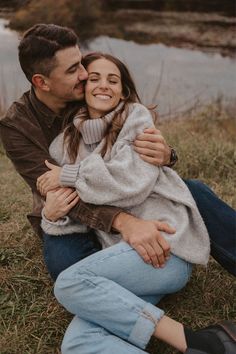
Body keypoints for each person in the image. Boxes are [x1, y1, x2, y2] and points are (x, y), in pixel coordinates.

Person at [37, 52, 235, 354]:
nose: (104, 85)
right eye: (95, 78)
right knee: (79, 343)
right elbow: (78, 210)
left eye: (113, 80)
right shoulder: (62, 145)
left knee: (69, 282)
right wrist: (52, 215)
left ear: (123, 90)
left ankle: (198, 342)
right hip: (122, 260)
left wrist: (69, 175)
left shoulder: (135, 117)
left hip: (165, 247)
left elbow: (131, 181)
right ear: (81, 87)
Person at [0, 23, 235, 277]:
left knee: (193, 191)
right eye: (72, 69)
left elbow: (132, 131)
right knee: (67, 268)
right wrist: (125, 223)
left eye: (80, 63)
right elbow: (57, 189)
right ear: (41, 82)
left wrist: (167, 155)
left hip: (122, 191)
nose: (83, 74)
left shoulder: (89, 89)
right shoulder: (16, 126)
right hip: (70, 211)